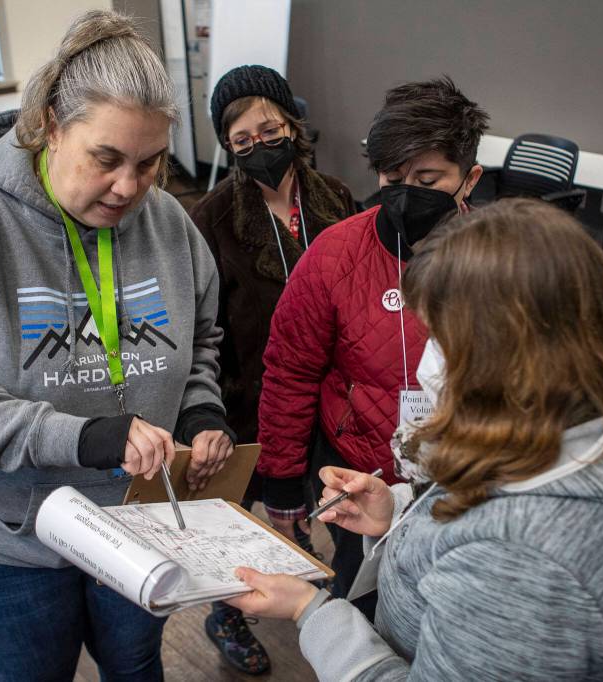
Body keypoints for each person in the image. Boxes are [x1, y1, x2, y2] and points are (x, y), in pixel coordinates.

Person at [0, 11, 235, 681]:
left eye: (149, 162)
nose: (130, 187)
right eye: (107, 159)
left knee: (136, 666)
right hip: (2, 544)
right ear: (52, 127)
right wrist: (83, 436)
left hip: (137, 522)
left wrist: (200, 414)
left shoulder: (170, 223)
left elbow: (203, 339)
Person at [227, 198, 603, 680]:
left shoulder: (525, 563)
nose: (429, 360)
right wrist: (400, 512)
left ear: (512, 352)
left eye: (442, 337)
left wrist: (313, 612)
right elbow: (492, 503)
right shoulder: (593, 423)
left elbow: (501, 540)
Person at [257, 77, 487, 612]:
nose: (406, 190)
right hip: (355, 475)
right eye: (392, 175)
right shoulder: (336, 255)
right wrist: (283, 479)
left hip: (463, 488)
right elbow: (290, 371)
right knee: (363, 606)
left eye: (428, 178)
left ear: (469, 179)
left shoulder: (497, 263)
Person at [187, 65, 356, 675]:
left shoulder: (336, 197)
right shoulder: (211, 219)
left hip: (334, 394)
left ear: (293, 124)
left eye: (271, 128)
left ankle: (301, 560)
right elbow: (202, 329)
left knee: (321, 495)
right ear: (229, 149)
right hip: (248, 398)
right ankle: (225, 611)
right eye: (242, 140)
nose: (260, 145)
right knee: (238, 514)